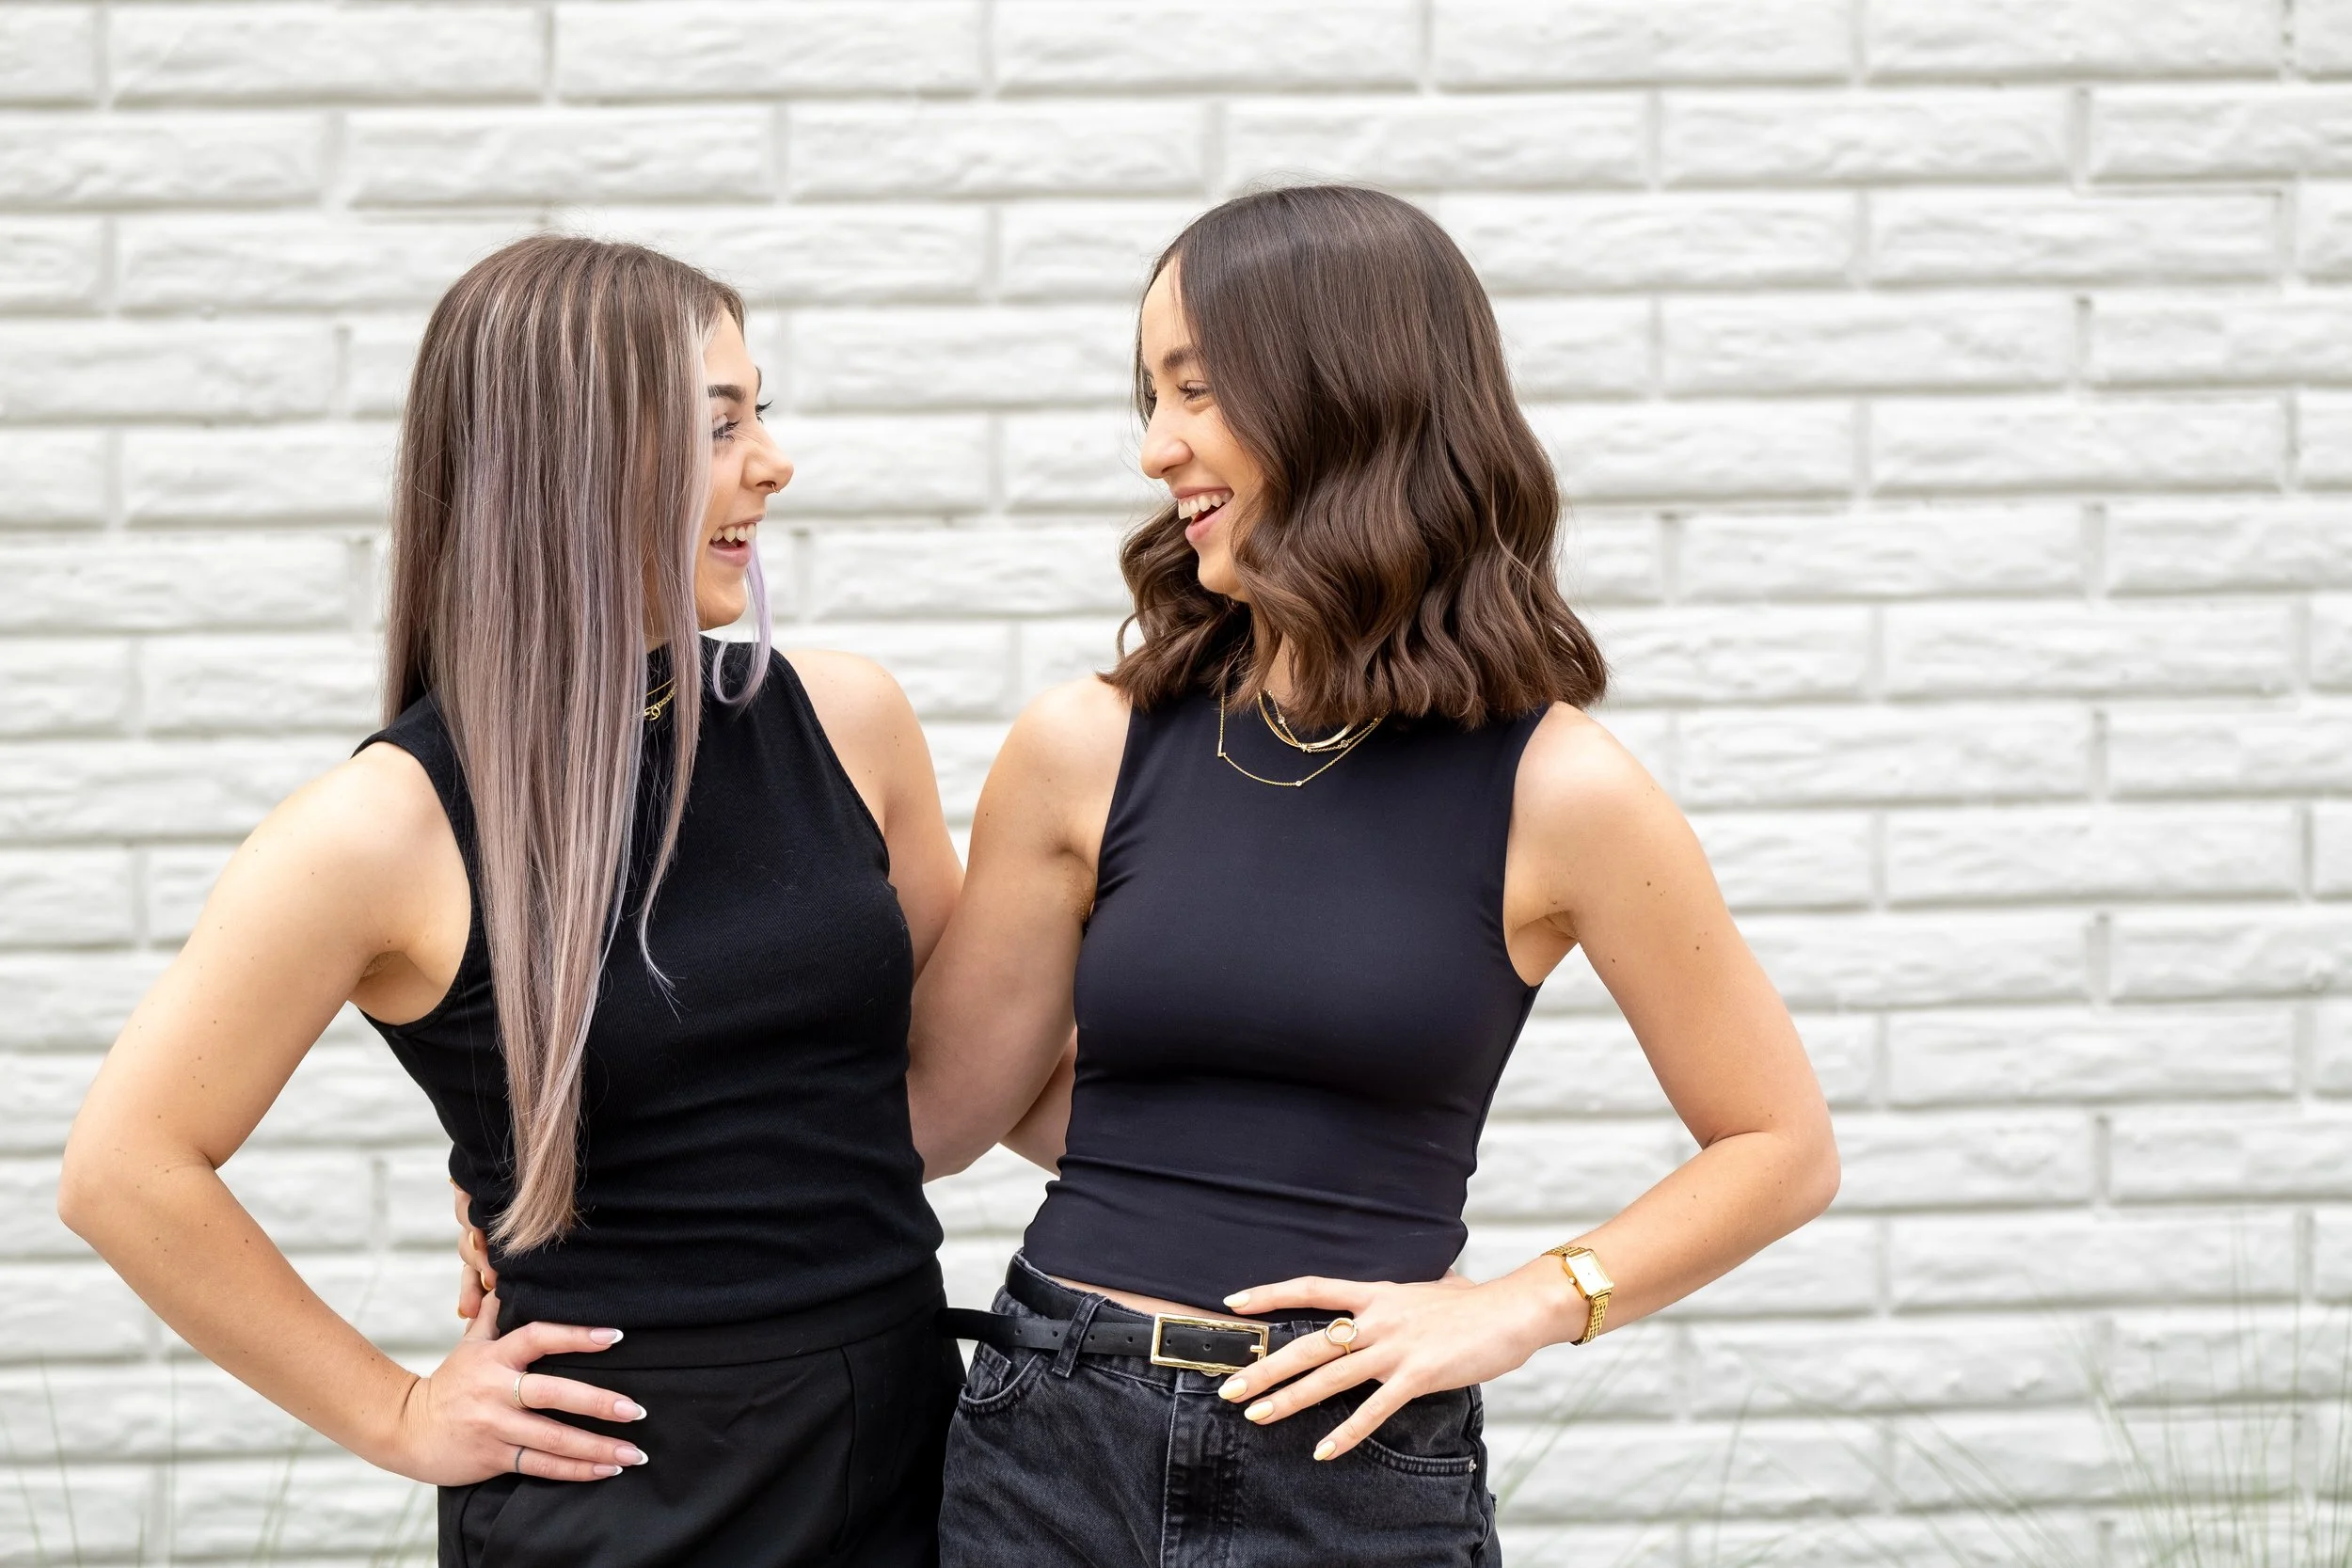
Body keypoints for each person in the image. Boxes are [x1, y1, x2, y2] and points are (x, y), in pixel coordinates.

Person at [903, 184, 1842, 1567]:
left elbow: (1781, 1147)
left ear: (1343, 398)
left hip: (1351, 1467)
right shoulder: (1084, 747)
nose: (1157, 446)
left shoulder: (1563, 790)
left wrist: (1528, 1302)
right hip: (1051, 1438)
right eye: (1151, 395)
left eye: (1197, 390)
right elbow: (937, 1112)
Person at [58, 235, 969, 1567]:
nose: (773, 462)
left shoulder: (847, 719)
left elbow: (962, 1057)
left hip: (909, 1441)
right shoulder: (383, 826)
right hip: (627, 1490)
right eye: (720, 425)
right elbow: (123, 1168)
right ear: (573, 461)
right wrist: (398, 1412)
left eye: (759, 414)